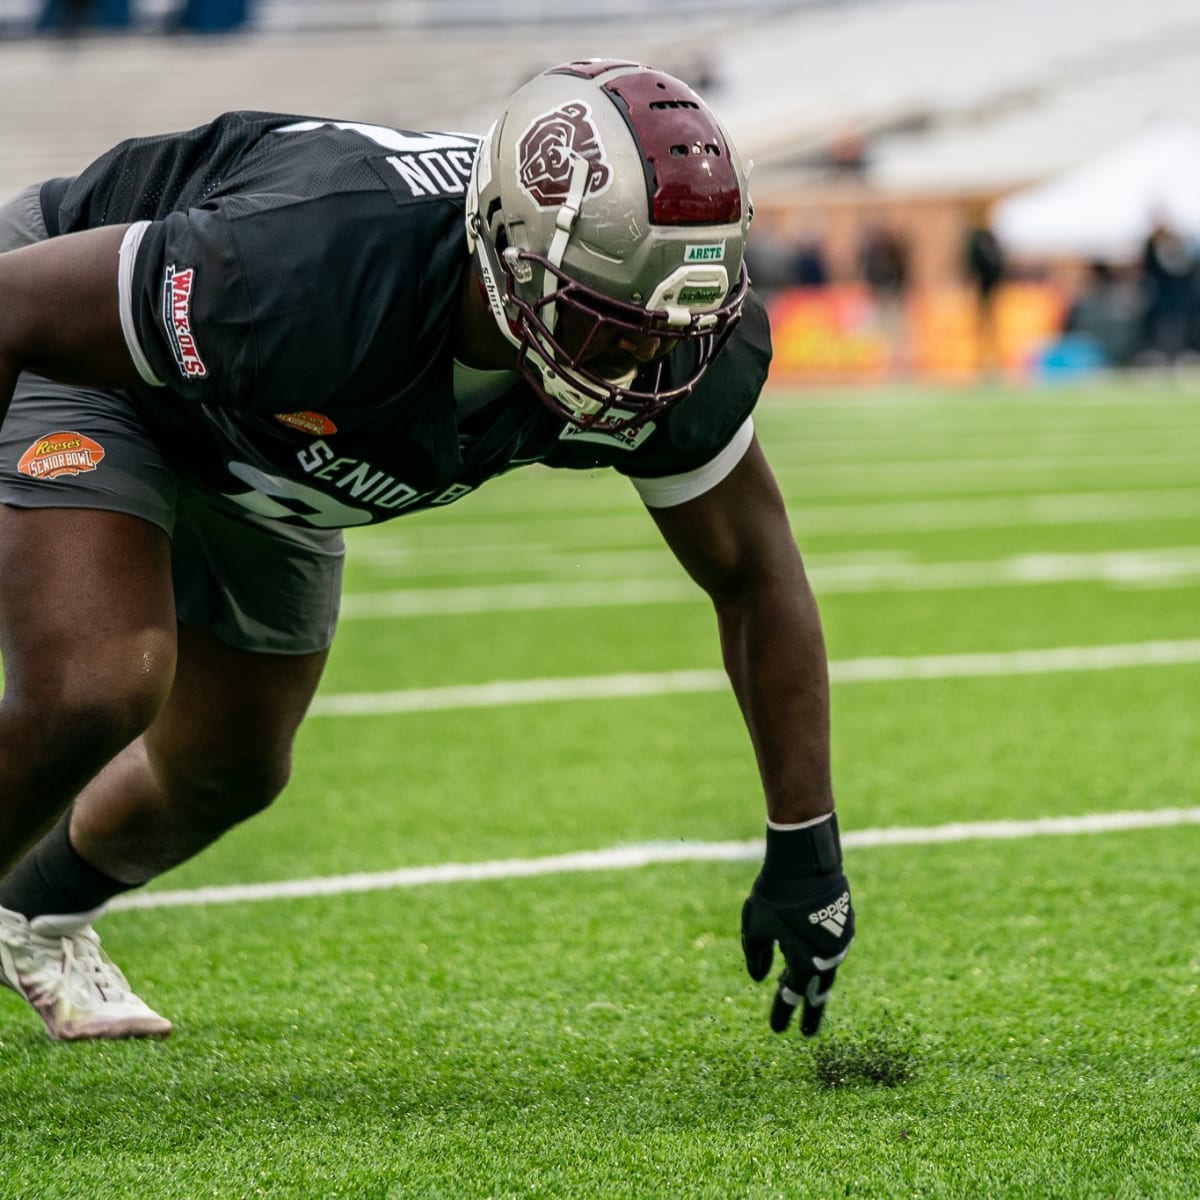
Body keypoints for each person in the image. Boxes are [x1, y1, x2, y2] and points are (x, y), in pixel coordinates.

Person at [0, 59, 854, 1042]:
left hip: (280, 440)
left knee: (230, 768)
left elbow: (753, 571)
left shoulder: (659, 342)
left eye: (675, 327)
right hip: (81, 341)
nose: (647, 365)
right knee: (100, 681)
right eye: (611, 327)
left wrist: (806, 841)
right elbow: (14, 308)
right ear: (504, 253)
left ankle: (32, 910)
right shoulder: (316, 259)